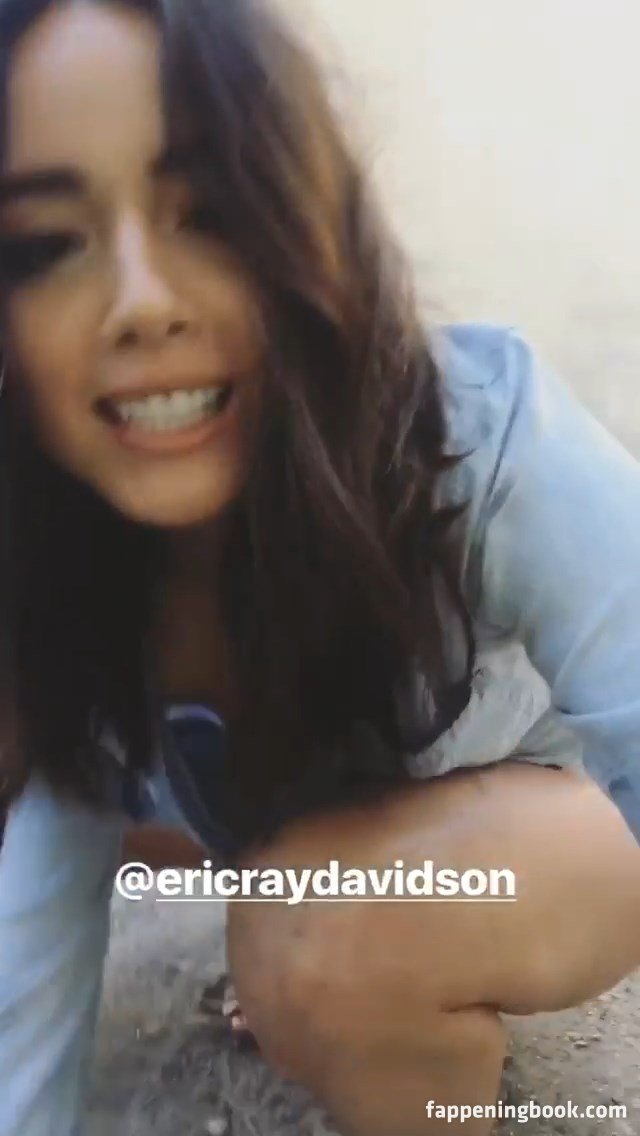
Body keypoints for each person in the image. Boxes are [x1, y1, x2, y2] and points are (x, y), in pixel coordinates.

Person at [0, 1, 638, 1134]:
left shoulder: (474, 435)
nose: (140, 303)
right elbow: (51, 877)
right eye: (50, 246)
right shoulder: (70, 547)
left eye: (210, 214)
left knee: (317, 936)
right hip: (317, 823)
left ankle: (384, 976)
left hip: (567, 814)